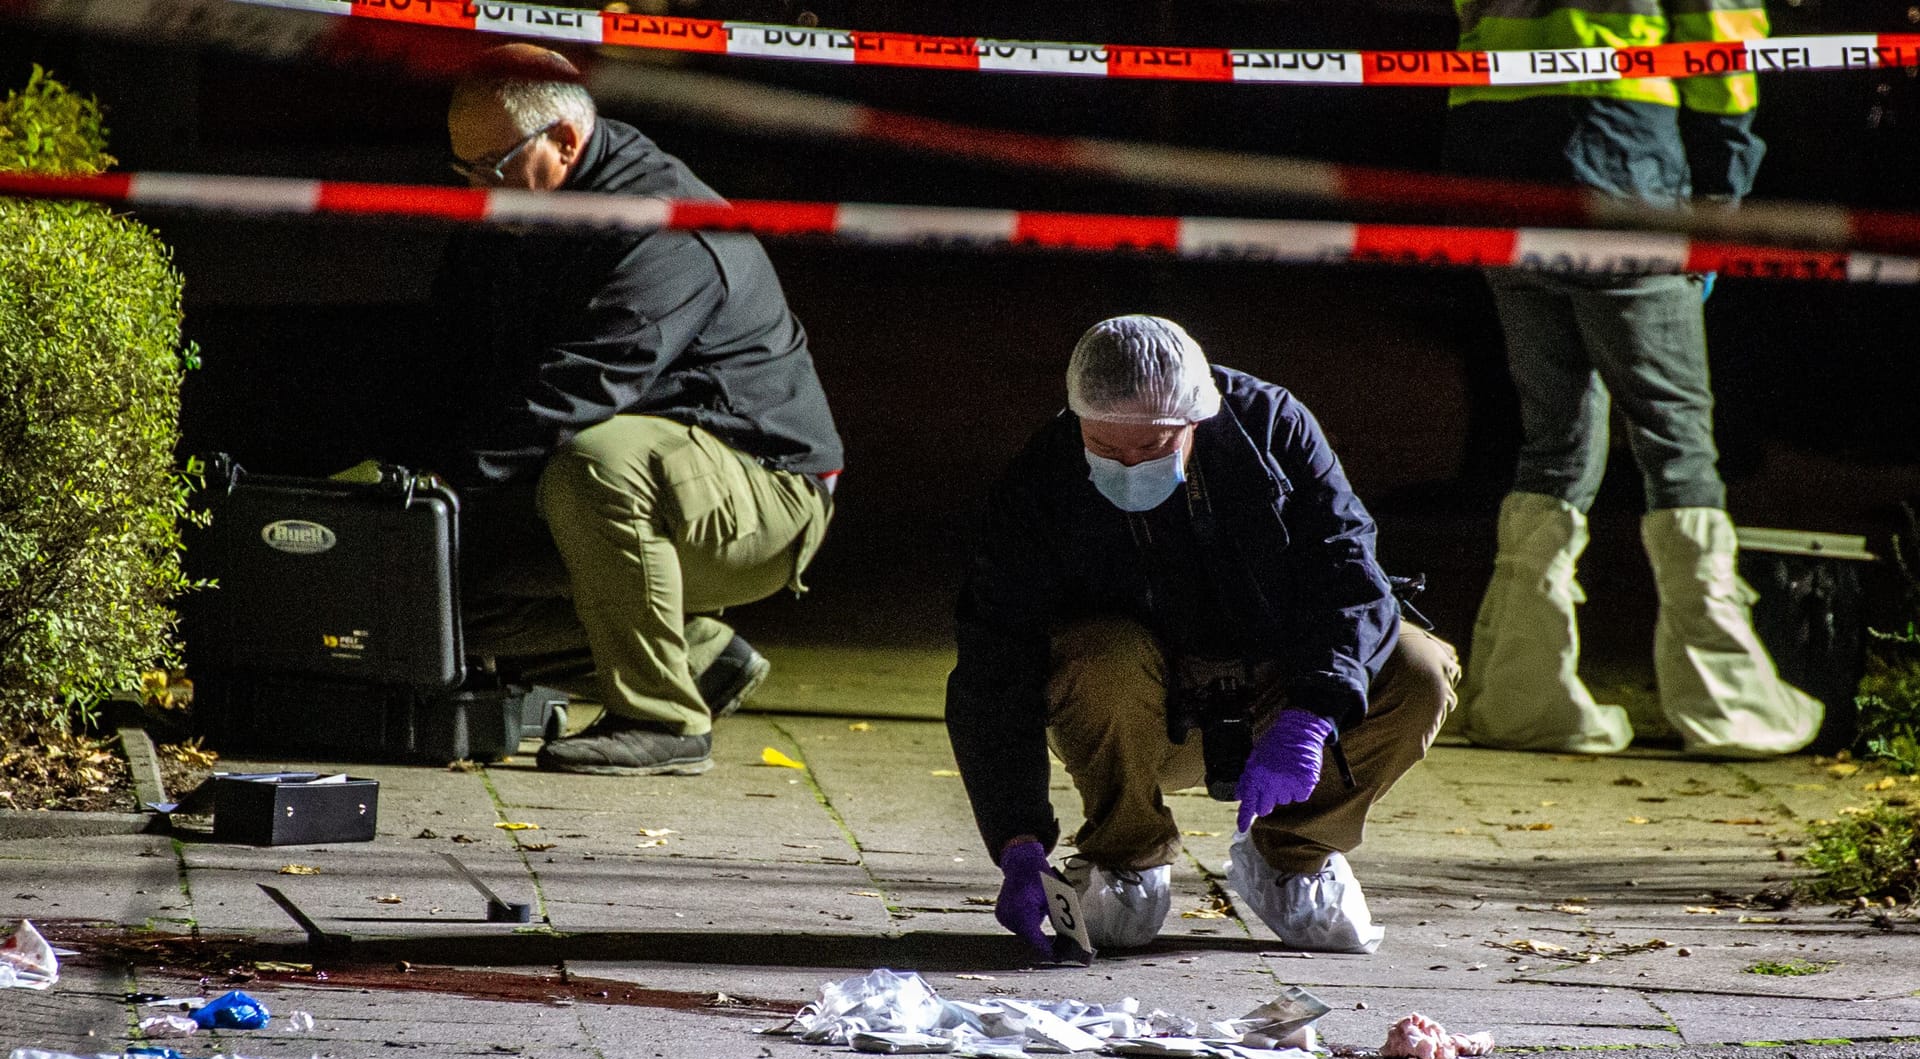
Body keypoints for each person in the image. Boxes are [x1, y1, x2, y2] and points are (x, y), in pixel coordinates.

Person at [946, 316, 1460, 958]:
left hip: (1278, 690)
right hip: (1146, 708)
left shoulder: (1270, 427)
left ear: (1197, 419)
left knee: (1417, 667)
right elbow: (994, 657)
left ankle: (1294, 853)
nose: (1128, 466)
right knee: (1094, 653)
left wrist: (1312, 711)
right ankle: (1125, 853)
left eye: (1152, 447)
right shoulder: (1043, 479)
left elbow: (1350, 572)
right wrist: (1016, 841)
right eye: (1106, 448)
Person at [419, 43, 842, 776]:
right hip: (618, 487)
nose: (477, 191)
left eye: (493, 167)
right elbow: (462, 368)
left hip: (768, 493)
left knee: (595, 463)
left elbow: (572, 396)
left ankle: (664, 721)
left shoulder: (661, 227)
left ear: (565, 141)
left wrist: (440, 491)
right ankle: (702, 662)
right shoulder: (517, 217)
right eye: (463, 170)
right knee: (441, 597)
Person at [1445, 1, 1821, 758]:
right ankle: (1728, 706)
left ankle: (1524, 698)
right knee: (1676, 441)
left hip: (1495, 171)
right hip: (1623, 166)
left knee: (1553, 442)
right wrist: (1719, 192)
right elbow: (1722, 47)